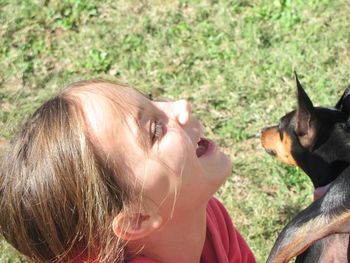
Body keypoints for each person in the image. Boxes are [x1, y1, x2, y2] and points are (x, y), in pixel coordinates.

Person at [0, 80, 256, 263]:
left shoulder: (207, 214)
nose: (181, 106)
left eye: (151, 98)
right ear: (137, 219)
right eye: (155, 130)